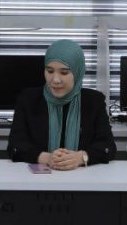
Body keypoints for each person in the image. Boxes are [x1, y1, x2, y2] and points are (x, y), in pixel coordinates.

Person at [7, 39, 115, 170]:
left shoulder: (93, 101)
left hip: (81, 178)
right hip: (38, 179)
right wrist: (47, 158)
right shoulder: (28, 99)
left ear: (78, 72)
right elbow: (15, 146)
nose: (55, 80)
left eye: (64, 72)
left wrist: (80, 157)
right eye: (50, 71)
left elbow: (108, 147)